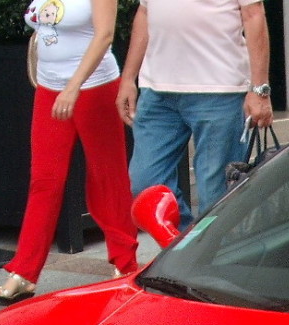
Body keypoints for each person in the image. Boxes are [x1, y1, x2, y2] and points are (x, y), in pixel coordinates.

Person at [0, 0, 139, 306]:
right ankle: (24, 273)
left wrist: (73, 86)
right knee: (44, 180)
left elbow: (105, 35)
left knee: (106, 176)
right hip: (49, 88)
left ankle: (125, 263)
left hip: (94, 88)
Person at [116, 0, 274, 228]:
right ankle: (190, 246)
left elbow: (254, 15)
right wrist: (128, 78)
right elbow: (144, 12)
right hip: (157, 91)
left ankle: (209, 254)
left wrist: (259, 89)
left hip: (219, 90)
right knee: (146, 185)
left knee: (216, 196)